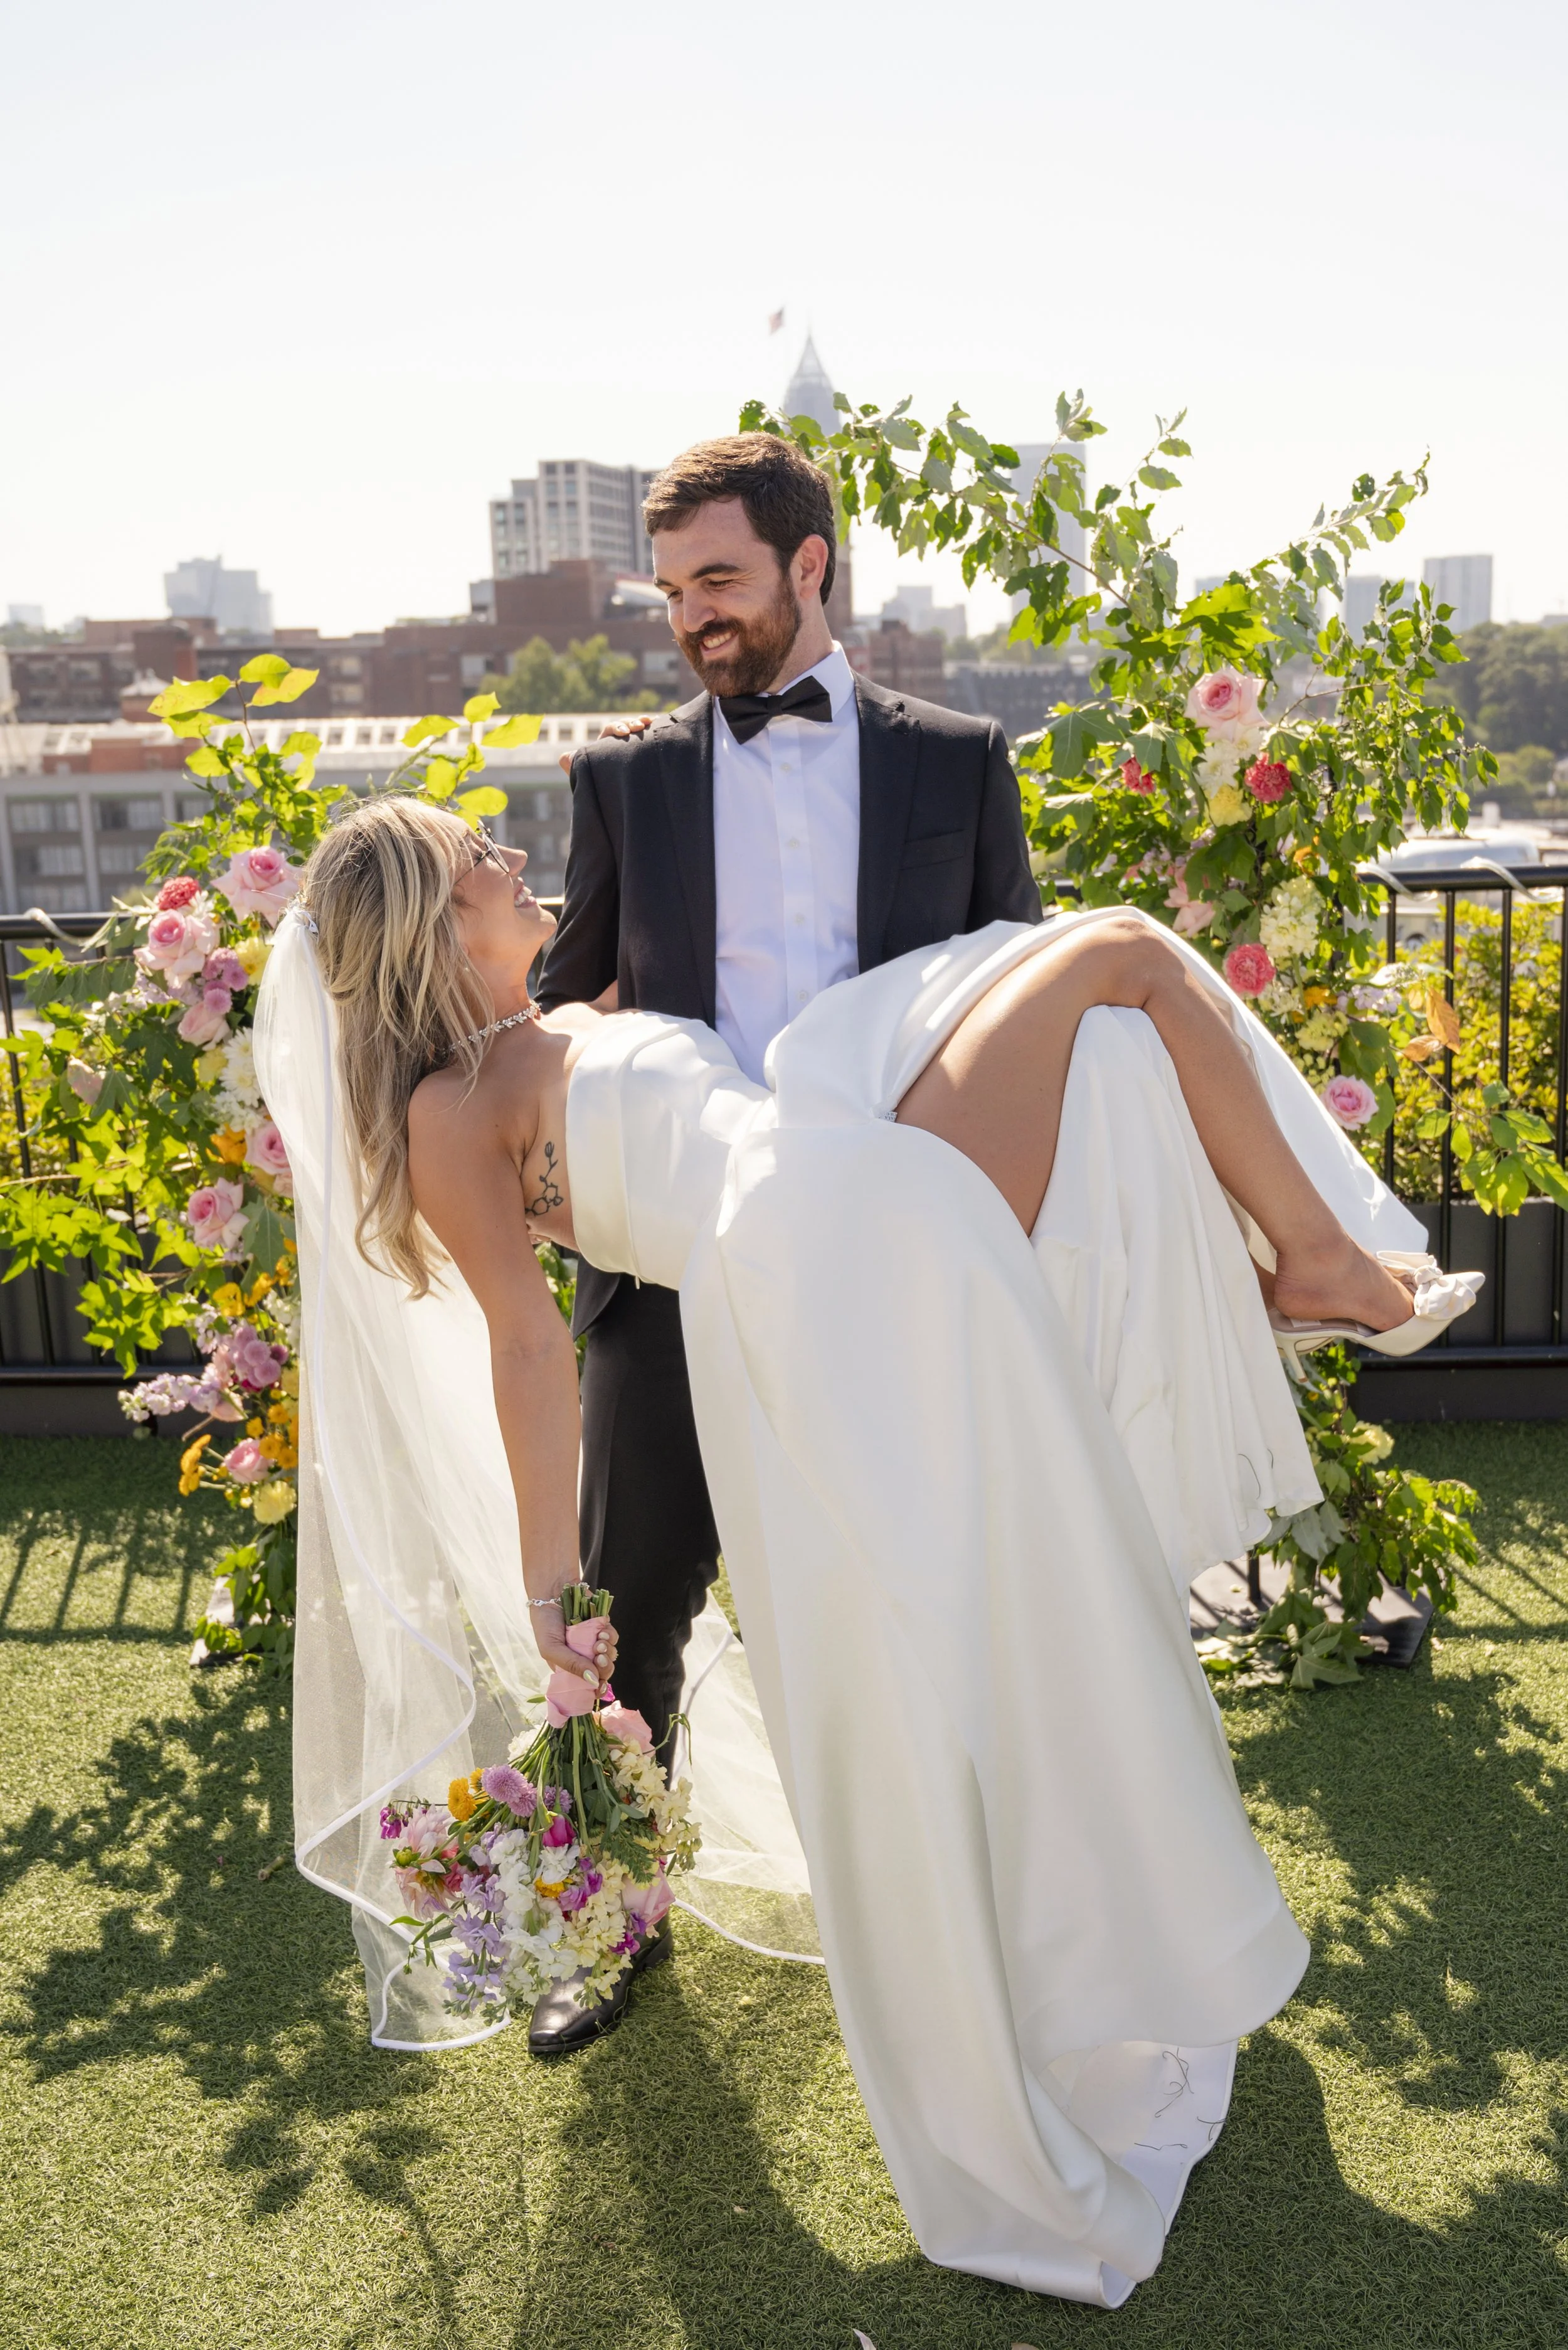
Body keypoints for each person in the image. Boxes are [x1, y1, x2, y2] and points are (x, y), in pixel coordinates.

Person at [253, 793, 1478, 2309]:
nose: (512, 861)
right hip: (809, 1233)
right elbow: (525, 1352)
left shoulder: (548, 1029)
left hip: (825, 1200)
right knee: (1123, 960)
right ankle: (1317, 1265)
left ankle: (1301, 1265)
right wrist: (549, 1596)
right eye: (476, 860)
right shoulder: (453, 1109)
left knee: (1113, 1018)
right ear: (432, 927)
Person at [529, 433, 1041, 2051]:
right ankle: (607, 1921)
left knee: (937, 1593)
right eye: (672, 590)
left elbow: (1015, 997)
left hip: (892, 1259)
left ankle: (993, 1927)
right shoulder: (623, 777)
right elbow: (564, 999)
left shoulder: (959, 761)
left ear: (810, 567)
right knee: (627, 1605)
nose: (691, 617)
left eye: (720, 581)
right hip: (675, 1262)